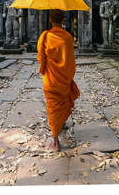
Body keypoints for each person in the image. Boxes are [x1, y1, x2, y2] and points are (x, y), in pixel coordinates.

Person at [37, 9, 80, 151]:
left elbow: (40, 58)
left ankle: (55, 141)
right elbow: (70, 63)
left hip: (50, 80)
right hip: (63, 79)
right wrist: (67, 75)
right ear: (63, 20)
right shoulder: (67, 38)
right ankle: (60, 126)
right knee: (62, 103)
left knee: (52, 108)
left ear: (50, 20)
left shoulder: (45, 37)